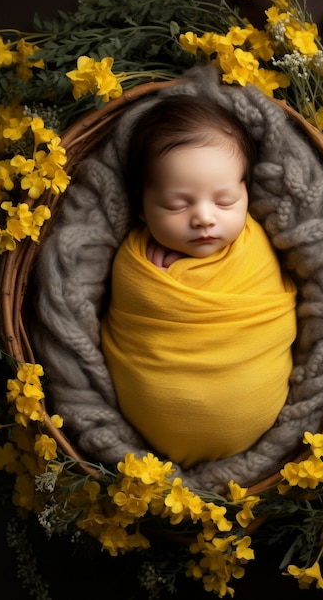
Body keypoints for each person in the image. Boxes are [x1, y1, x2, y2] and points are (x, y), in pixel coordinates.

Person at [101, 94, 297, 469]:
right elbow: (129, 312)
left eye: (224, 201)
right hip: (153, 422)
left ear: (246, 195)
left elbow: (277, 296)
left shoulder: (256, 244)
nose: (204, 218)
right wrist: (151, 285)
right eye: (177, 205)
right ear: (141, 208)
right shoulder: (134, 259)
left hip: (254, 402)